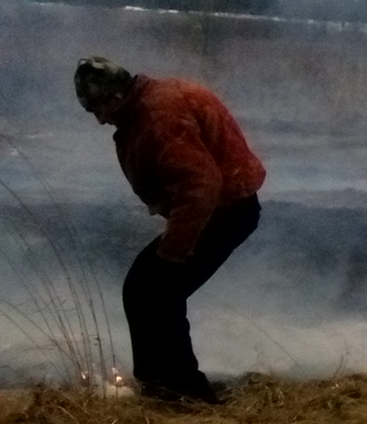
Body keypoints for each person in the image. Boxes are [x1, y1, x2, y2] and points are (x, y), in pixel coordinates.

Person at [73, 58, 266, 403]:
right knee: (145, 287)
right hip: (221, 206)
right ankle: (161, 384)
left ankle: (183, 390)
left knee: (158, 291)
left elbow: (201, 186)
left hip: (223, 209)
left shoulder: (159, 117)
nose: (100, 119)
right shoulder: (151, 103)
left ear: (116, 96)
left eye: (98, 108)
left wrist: (175, 250)